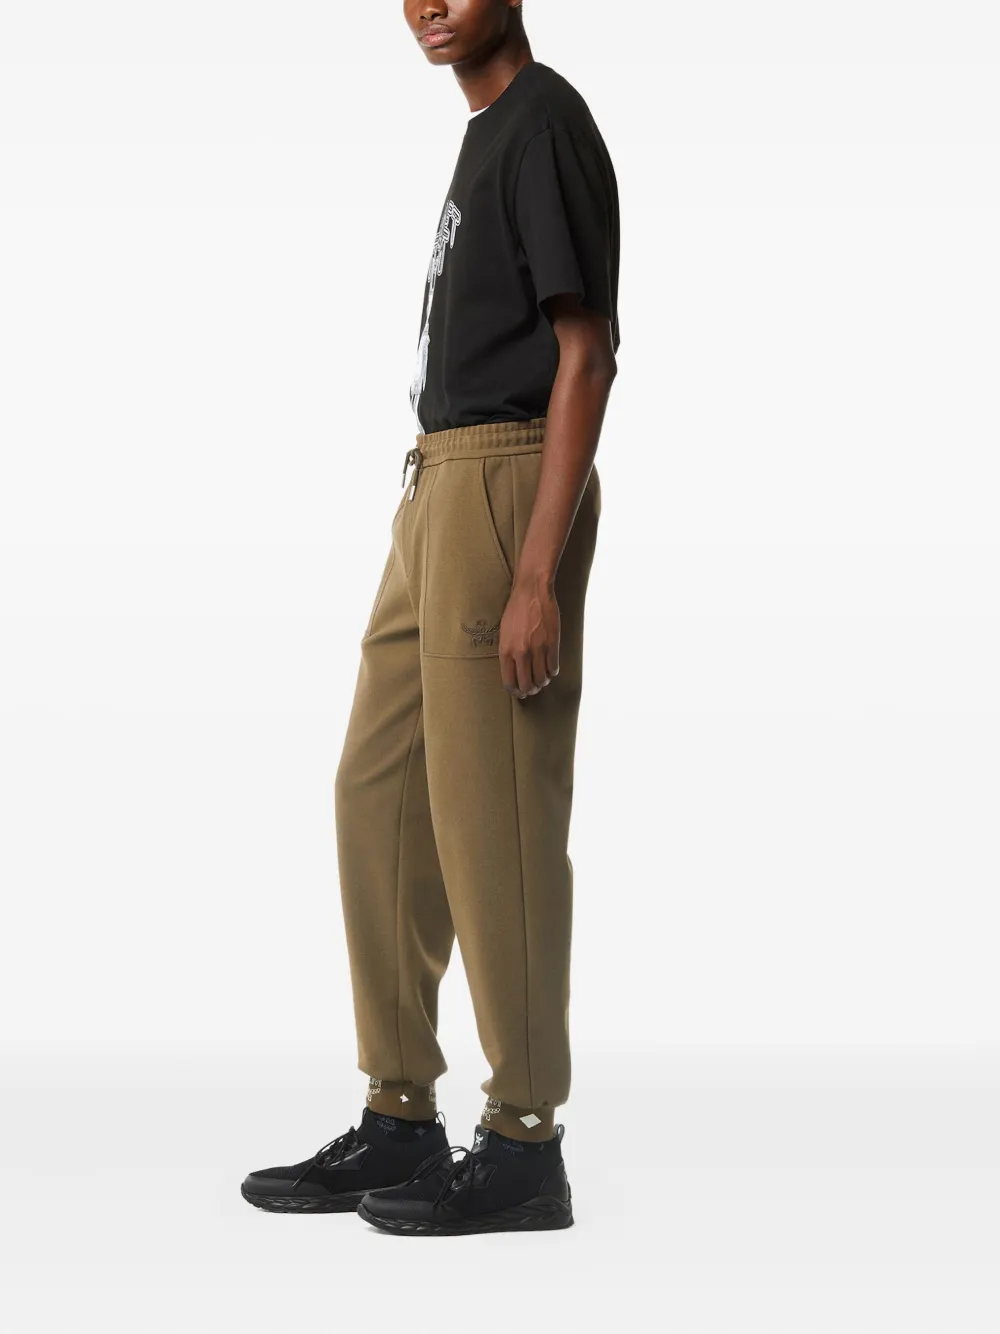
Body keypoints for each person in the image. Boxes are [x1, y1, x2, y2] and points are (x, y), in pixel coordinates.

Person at [241, 0, 620, 1236]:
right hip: (435, 481)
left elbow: (586, 352)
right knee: (380, 790)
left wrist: (534, 572)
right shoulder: (486, 132)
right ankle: (399, 1106)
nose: (426, 2)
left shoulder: (544, 121)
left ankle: (524, 1141)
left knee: (493, 814)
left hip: (505, 478)